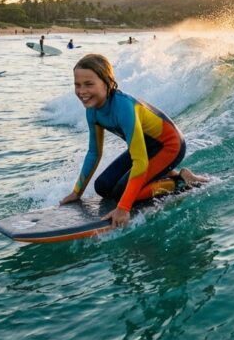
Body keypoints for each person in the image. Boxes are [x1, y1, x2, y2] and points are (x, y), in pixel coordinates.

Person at [59, 54, 207, 228]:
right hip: (145, 148)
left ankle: (180, 181)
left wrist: (123, 207)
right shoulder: (92, 110)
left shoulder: (123, 107)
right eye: (77, 85)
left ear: (107, 83)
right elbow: (94, 153)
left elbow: (141, 161)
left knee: (125, 193)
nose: (82, 91)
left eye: (89, 84)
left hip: (169, 146)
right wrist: (77, 192)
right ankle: (167, 173)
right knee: (103, 187)